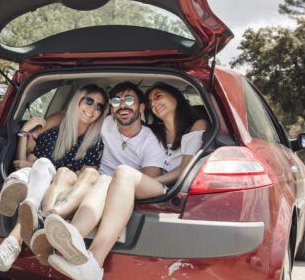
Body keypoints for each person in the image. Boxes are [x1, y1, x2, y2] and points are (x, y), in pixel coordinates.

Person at [44, 82, 209, 280]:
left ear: (176, 97)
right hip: (124, 182)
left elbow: (184, 170)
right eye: (151, 100)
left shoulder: (194, 125)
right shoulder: (156, 131)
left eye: (159, 96)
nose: (154, 103)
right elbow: (71, 115)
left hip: (166, 186)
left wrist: (127, 178)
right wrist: (33, 130)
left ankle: (92, 259)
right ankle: (72, 242)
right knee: (107, 179)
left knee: (121, 173)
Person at [0, 84, 108, 272]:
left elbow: (86, 177)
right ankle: (26, 208)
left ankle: (13, 241)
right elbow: (22, 161)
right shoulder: (54, 133)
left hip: (68, 192)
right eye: (89, 101)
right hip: (43, 182)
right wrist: (23, 134)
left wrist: (52, 170)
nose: (93, 109)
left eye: (99, 106)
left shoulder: (96, 142)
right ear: (78, 101)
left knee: (52, 171)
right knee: (42, 164)